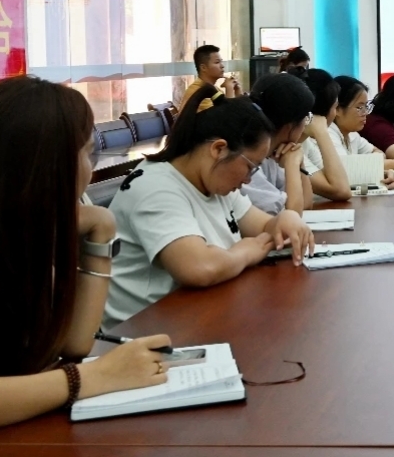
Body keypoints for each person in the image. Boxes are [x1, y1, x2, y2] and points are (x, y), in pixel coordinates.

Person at [0, 77, 169, 438]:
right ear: (49, 164)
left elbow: (74, 343)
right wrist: (90, 377)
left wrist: (101, 232)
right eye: (87, 153)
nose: (90, 167)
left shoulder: (22, 232)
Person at [104, 85, 313, 328]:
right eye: (250, 167)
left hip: (195, 315)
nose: (248, 180)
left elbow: (265, 226)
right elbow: (199, 267)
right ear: (219, 149)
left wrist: (286, 219)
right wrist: (248, 250)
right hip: (142, 332)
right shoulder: (155, 187)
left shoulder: (214, 183)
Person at [236, 72, 324, 213]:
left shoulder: (274, 153)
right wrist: (292, 165)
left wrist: (299, 163)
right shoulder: (248, 160)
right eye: (306, 117)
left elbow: (306, 204)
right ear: (289, 127)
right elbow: (292, 215)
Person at [324, 76, 394, 178]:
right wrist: (393, 164)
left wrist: (369, 163)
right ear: (337, 109)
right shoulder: (328, 133)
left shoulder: (352, 134)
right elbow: (344, 168)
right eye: (359, 107)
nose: (365, 113)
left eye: (366, 106)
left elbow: (378, 153)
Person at [180, 44, 242, 112]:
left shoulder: (214, 89)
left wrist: (237, 91)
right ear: (203, 68)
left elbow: (238, 112)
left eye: (221, 62)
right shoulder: (197, 92)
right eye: (217, 62)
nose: (222, 66)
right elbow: (226, 115)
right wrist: (229, 89)